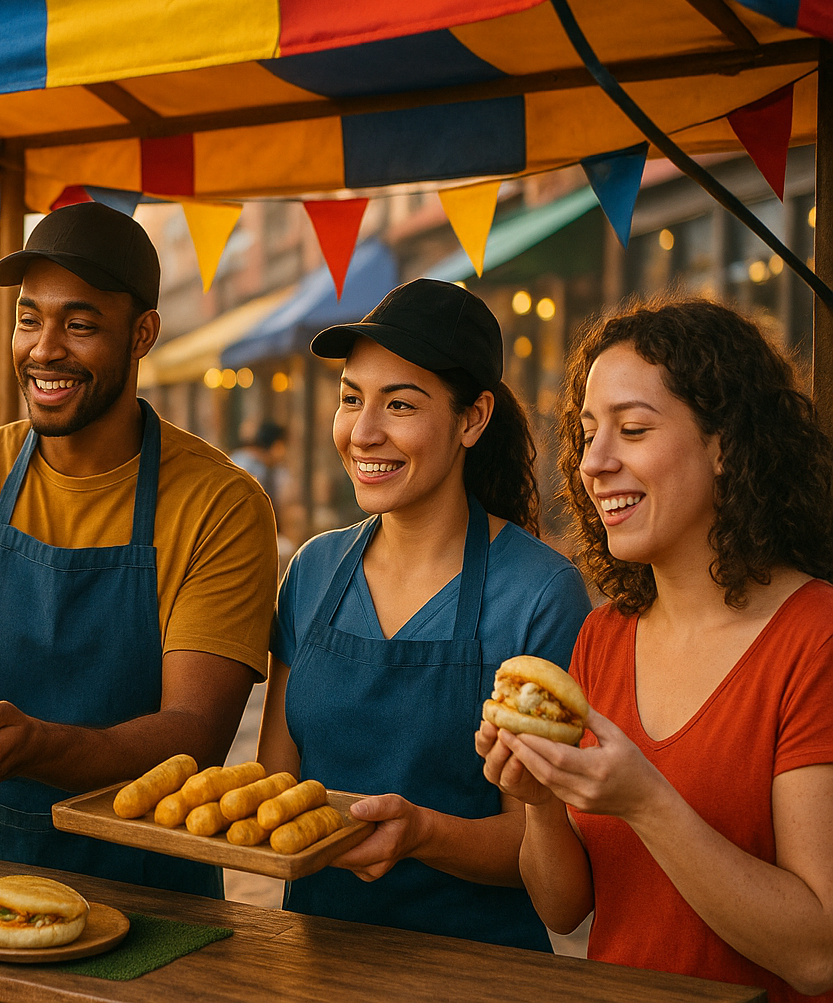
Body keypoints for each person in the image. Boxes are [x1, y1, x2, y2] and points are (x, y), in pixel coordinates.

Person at [0, 202, 278, 896]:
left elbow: (193, 733)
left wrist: (40, 747)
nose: (44, 348)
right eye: (28, 318)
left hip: (156, 899)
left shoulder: (221, 505)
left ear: (142, 334)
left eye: (79, 324)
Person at [478, 299, 833, 999]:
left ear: (725, 443)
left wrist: (647, 803)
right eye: (586, 434)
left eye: (632, 429)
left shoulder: (815, 636)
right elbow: (564, 907)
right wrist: (541, 802)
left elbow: (817, 954)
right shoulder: (602, 637)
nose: (594, 463)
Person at [258, 278, 592, 950]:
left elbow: (550, 853)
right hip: (312, 960)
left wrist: (424, 834)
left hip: (474, 972)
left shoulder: (540, 592)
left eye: (400, 404)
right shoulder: (313, 572)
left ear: (472, 419)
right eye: (352, 398)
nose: (364, 431)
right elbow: (275, 785)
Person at [230, 419, 288, 505]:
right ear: (275, 445)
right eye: (283, 445)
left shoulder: (271, 469)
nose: (285, 451)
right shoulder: (246, 465)